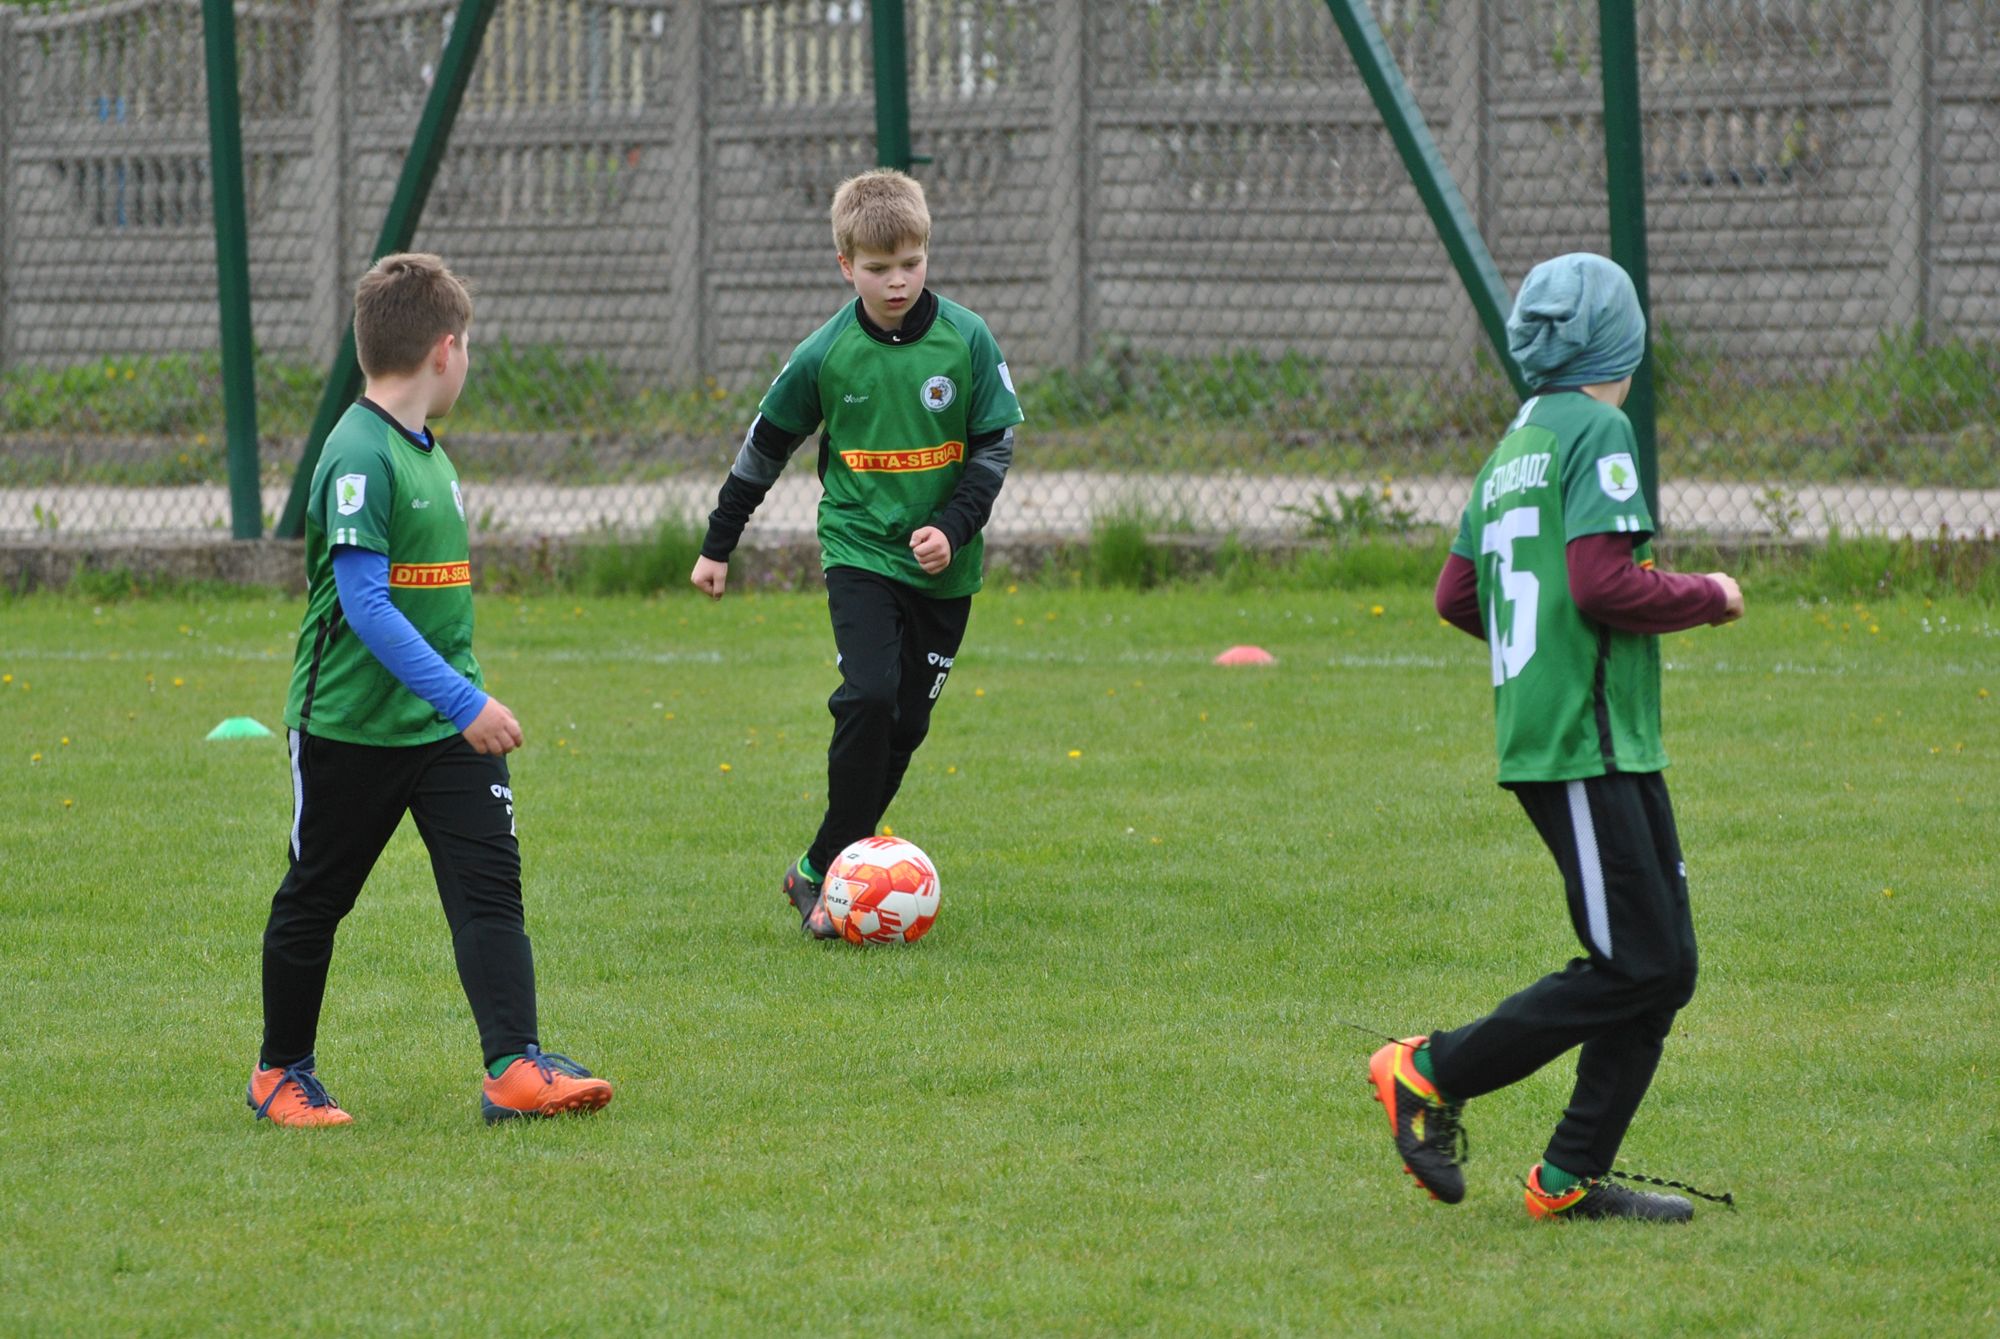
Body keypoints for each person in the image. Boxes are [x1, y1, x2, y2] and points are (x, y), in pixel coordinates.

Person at [1368, 253, 1743, 1221]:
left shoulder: (1517, 440)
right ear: (1622, 344)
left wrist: (1532, 657)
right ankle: (1426, 1069)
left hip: (1593, 735)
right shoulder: (1598, 427)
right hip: (1585, 737)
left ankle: (1569, 1175)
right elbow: (1599, 581)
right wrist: (1707, 595)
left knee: (1663, 964)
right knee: (1636, 962)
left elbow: (1458, 593)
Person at [250, 253, 613, 1126]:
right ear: (446, 350)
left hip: (444, 730)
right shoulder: (356, 454)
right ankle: (279, 1071)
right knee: (317, 895)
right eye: (470, 347)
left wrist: (456, 705)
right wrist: (467, 702)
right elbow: (366, 607)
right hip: (351, 727)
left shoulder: (426, 453)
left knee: (490, 889)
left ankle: (514, 1068)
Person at [689, 168, 1023, 938]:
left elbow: (994, 445)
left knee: (903, 726)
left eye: (910, 262)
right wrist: (719, 543)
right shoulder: (826, 353)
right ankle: (837, 874)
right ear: (846, 266)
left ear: (926, 251)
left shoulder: (967, 340)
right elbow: (763, 448)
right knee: (870, 695)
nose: (897, 280)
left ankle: (815, 868)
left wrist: (954, 526)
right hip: (860, 551)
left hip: (947, 568)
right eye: (877, 268)